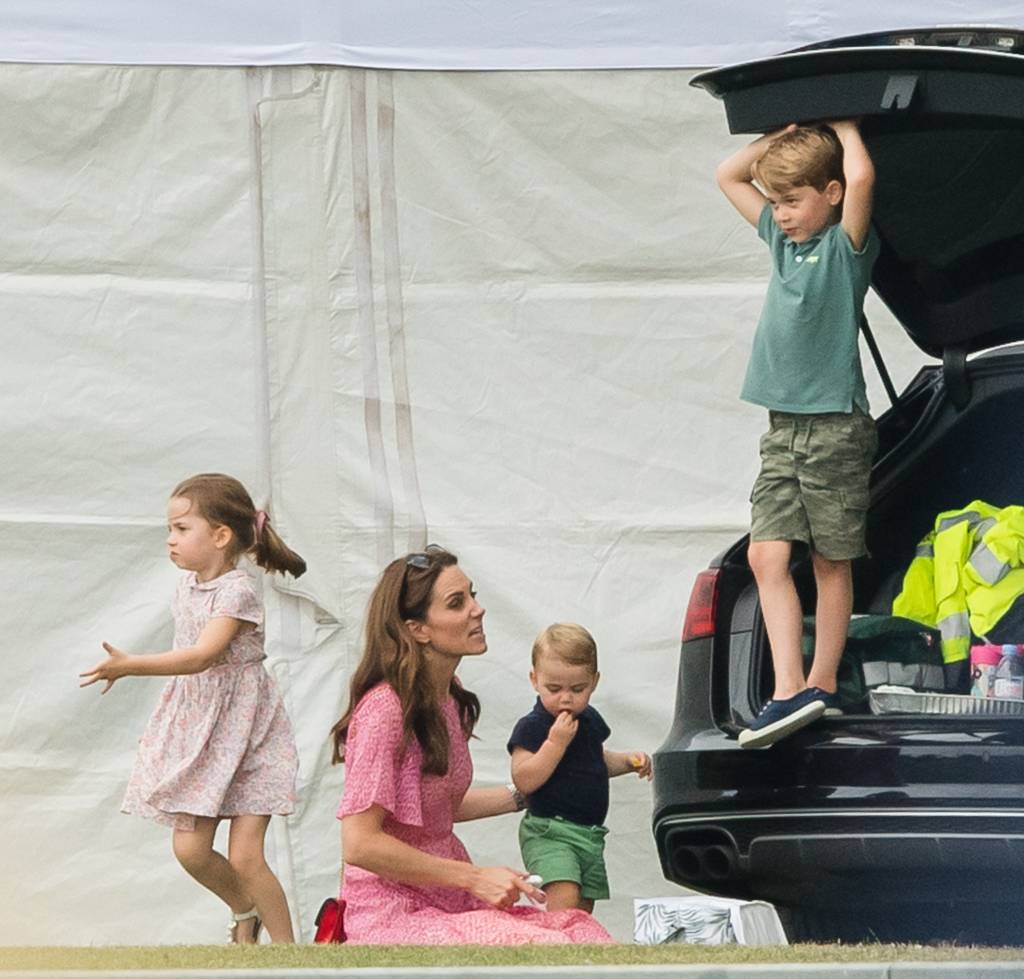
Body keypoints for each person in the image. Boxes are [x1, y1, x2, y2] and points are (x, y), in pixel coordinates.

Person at [331, 546, 615, 944]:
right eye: (456, 603)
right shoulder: (384, 710)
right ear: (418, 629)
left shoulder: (450, 697)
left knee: (582, 931)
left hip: (447, 898)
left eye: (472, 595)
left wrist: (536, 788)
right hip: (393, 910)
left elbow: (437, 810)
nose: (477, 609)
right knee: (550, 946)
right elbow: (359, 844)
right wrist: (474, 877)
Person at [80, 473, 305, 943]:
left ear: (220, 536)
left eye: (182, 529)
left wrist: (131, 665)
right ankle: (245, 911)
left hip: (248, 736)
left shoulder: (237, 591)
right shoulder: (186, 587)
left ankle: (290, 953)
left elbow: (203, 655)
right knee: (191, 850)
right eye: (171, 529)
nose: (170, 539)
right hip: (204, 738)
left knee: (246, 856)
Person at [716, 121, 879, 749]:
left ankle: (822, 681)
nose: (780, 214)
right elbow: (728, 175)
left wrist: (843, 126)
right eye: (776, 202)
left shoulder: (844, 250)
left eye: (792, 201)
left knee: (830, 558)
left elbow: (861, 177)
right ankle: (789, 689)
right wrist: (780, 135)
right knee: (766, 555)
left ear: (830, 195)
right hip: (781, 426)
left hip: (835, 426)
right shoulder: (781, 246)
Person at [507, 623, 652, 912]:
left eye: (578, 689)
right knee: (565, 894)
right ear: (534, 679)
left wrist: (626, 761)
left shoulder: (589, 720)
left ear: (594, 682)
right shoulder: (533, 726)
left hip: (589, 834)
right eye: (554, 688)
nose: (566, 698)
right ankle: (558, 940)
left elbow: (594, 762)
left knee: (583, 906)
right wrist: (555, 743)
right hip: (549, 831)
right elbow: (524, 779)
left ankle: (576, 939)